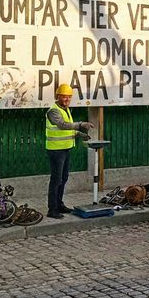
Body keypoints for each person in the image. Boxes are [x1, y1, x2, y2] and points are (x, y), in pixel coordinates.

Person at [45, 83, 93, 219]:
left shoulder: (65, 110)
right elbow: (62, 125)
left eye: (69, 97)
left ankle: (59, 204)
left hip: (65, 149)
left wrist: (79, 134)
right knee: (56, 180)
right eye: (64, 96)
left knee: (63, 178)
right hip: (56, 150)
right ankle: (52, 209)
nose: (67, 99)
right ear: (58, 96)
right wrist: (81, 124)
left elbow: (68, 129)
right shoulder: (53, 111)